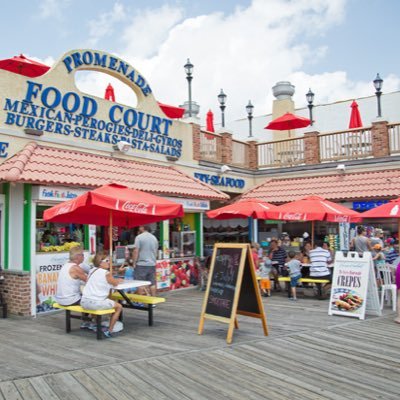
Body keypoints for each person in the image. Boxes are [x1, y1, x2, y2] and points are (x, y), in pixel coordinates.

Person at [81, 252, 123, 338]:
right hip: (95, 303)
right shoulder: (106, 273)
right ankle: (109, 330)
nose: (109, 262)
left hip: (84, 302)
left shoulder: (92, 271)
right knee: (119, 307)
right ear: (100, 263)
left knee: (102, 301)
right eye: (107, 260)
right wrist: (118, 280)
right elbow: (115, 283)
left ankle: (94, 323)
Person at [55, 246, 89, 328]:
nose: (84, 257)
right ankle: (89, 322)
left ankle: (86, 321)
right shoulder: (76, 268)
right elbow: (90, 281)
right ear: (77, 256)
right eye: (82, 255)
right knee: (91, 300)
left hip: (60, 298)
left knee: (84, 296)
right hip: (69, 300)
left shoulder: (66, 265)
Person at [132, 225, 159, 296]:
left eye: (140, 227)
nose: (138, 228)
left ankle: (140, 302)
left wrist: (134, 262)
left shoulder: (139, 237)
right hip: (152, 264)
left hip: (141, 264)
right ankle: (153, 300)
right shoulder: (154, 238)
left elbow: (136, 251)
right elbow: (156, 251)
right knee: (152, 283)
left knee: (140, 283)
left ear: (142, 228)